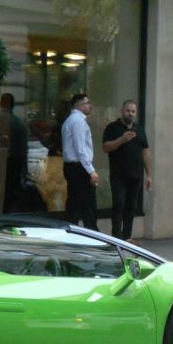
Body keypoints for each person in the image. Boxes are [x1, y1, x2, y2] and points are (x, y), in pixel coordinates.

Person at [101, 99, 152, 240]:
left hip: (136, 175)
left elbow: (146, 152)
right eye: (128, 110)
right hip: (118, 175)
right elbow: (105, 147)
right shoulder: (112, 128)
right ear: (122, 111)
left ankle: (127, 237)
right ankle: (116, 237)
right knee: (119, 203)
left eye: (133, 111)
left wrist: (149, 175)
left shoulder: (140, 129)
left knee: (131, 206)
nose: (130, 113)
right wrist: (122, 139)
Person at [61, 92, 98, 229]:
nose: (90, 106)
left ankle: (71, 231)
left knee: (74, 204)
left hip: (72, 167)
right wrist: (91, 171)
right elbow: (80, 149)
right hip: (79, 167)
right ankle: (93, 234)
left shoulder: (70, 120)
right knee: (88, 204)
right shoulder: (78, 122)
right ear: (80, 105)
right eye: (87, 103)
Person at [0, 93, 32, 213]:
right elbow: (23, 149)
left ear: (1, 103)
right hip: (14, 164)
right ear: (13, 105)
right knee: (11, 196)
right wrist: (24, 171)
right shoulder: (19, 123)